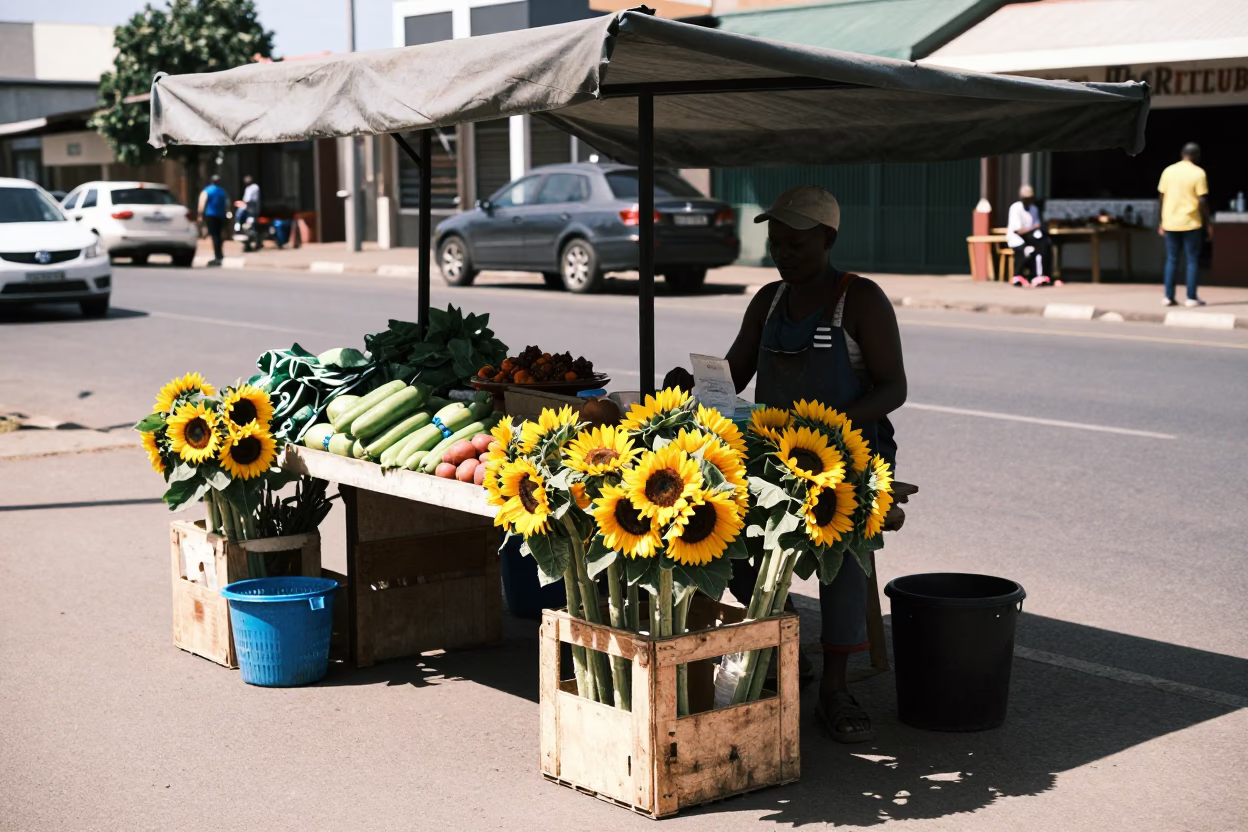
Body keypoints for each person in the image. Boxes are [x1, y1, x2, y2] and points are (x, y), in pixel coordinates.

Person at [665, 185, 911, 743]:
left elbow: (894, 387)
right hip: (776, 453)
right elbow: (734, 378)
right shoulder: (768, 301)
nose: (784, 255)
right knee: (727, 534)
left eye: (796, 244)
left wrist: (836, 427)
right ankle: (787, 635)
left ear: (827, 240)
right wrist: (696, 387)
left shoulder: (861, 299)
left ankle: (835, 689)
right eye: (776, 244)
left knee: (846, 550)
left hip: (850, 455)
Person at [1158, 143, 1211, 307]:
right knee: (1192, 260)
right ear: (1196, 156)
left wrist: (1161, 220)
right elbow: (1202, 200)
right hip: (1191, 221)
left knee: (1172, 259)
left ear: (1182, 154)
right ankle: (1191, 297)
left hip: (1170, 221)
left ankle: (1168, 296)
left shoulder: (1168, 171)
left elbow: (1161, 196)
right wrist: (1207, 222)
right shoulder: (1198, 173)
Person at [1006, 185, 1057, 287]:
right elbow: (1019, 231)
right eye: (1025, 199)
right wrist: (1034, 227)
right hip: (1016, 239)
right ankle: (1017, 276)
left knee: (1044, 245)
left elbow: (1037, 226)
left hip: (1030, 237)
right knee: (1023, 250)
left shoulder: (1034, 209)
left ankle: (1042, 275)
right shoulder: (1015, 208)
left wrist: (1035, 229)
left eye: (1029, 199)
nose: (1027, 201)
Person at [197, 175, 228, 266]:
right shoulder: (222, 192)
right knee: (219, 236)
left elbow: (202, 203)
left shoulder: (207, 190)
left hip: (211, 215)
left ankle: (217, 256)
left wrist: (200, 215)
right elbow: (227, 204)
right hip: (221, 215)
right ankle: (220, 254)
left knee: (214, 236)